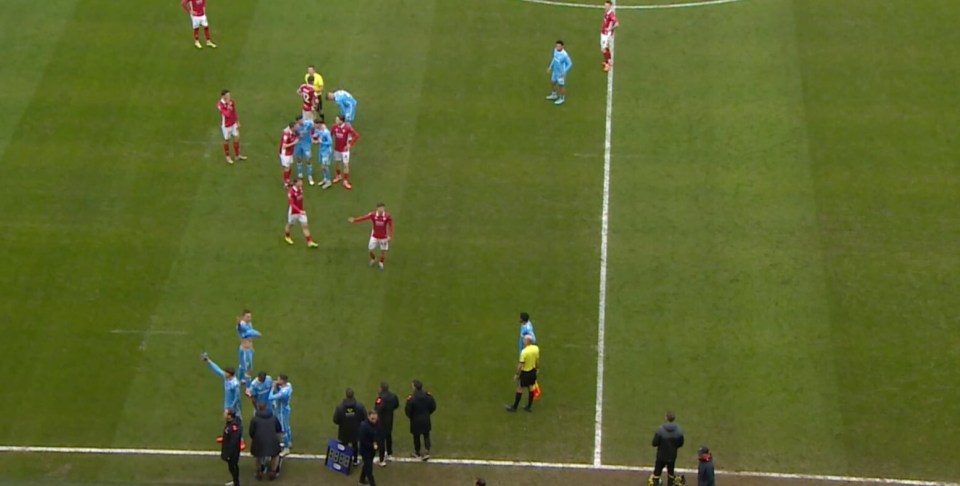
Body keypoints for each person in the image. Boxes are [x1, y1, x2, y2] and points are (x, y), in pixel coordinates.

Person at [348, 203, 394, 270]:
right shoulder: (373, 214)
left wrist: (390, 235)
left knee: (383, 250)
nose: (381, 210)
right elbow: (364, 218)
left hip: (383, 236)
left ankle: (381, 262)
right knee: (370, 249)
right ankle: (374, 259)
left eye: (382, 208)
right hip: (374, 235)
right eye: (380, 208)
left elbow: (391, 225)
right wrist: (355, 220)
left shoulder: (387, 216)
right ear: (377, 209)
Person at [201, 353, 242, 420]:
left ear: (231, 375)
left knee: (236, 421)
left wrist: (231, 408)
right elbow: (217, 369)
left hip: (233, 408)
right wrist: (208, 361)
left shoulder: (235, 384)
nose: (224, 374)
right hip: (226, 405)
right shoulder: (226, 377)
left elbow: (237, 397)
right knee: (228, 421)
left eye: (226, 373)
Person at [505, 334, 539, 412]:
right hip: (533, 371)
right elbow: (537, 360)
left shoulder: (524, 352)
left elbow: (520, 364)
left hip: (525, 373)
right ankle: (529, 407)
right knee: (531, 387)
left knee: (519, 388)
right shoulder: (536, 348)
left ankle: (514, 407)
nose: (523, 341)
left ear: (528, 341)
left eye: (524, 340)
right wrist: (537, 369)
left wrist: (517, 374)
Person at [333, 388, 367, 466]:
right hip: (356, 430)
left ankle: (344, 461)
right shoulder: (360, 406)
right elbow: (364, 417)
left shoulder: (339, 407)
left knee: (344, 445)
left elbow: (335, 420)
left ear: (346, 395)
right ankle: (355, 460)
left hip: (344, 431)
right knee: (355, 445)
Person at [649, 412, 685, 486]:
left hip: (661, 456)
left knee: (657, 473)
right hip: (672, 456)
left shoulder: (660, 429)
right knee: (671, 474)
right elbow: (680, 443)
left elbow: (654, 443)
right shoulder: (679, 430)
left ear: (666, 418)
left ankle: (656, 484)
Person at [405, 379, 436, 461]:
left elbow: (408, 410)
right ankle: (427, 451)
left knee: (416, 436)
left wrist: (411, 416)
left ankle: (417, 452)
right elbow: (433, 406)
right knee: (426, 435)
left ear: (415, 387)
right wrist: (427, 413)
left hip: (415, 420)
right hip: (426, 419)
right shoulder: (428, 396)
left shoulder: (411, 398)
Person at [249, 403, 282, 480]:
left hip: (259, 442)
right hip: (272, 442)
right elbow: (279, 429)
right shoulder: (273, 418)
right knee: (275, 455)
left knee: (258, 456)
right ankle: (273, 472)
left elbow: (251, 432)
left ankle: (259, 472)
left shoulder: (254, 419)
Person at [283, 178, 319, 248]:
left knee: (305, 226)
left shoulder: (300, 189)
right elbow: (292, 204)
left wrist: (301, 211)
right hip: (293, 212)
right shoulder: (291, 192)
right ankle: (287, 236)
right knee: (290, 225)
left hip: (301, 212)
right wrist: (300, 211)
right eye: (300, 182)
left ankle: (309, 242)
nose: (301, 183)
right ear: (296, 183)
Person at [330, 114, 359, 190]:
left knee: (346, 165)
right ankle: (338, 176)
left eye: (337, 120)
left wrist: (350, 144)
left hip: (345, 150)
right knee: (337, 163)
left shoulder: (347, 128)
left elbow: (356, 136)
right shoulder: (334, 127)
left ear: (341, 121)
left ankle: (345, 181)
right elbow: (330, 135)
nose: (335, 121)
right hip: (337, 149)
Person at [374, 382, 400, 466]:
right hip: (390, 419)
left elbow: (377, 409)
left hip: (381, 421)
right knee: (389, 436)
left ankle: (381, 460)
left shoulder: (380, 398)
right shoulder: (393, 396)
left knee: (381, 439)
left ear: (381, 388)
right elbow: (396, 405)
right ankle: (389, 453)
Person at [217, 90, 246, 164]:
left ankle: (237, 155)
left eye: (229, 95)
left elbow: (234, 112)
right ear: (223, 96)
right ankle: (227, 156)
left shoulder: (231, 102)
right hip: (226, 126)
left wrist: (237, 120)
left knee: (237, 137)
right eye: (227, 96)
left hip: (233, 123)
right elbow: (226, 114)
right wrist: (229, 108)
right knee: (226, 140)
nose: (229, 97)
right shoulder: (220, 105)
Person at [268, 374, 293, 456]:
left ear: (282, 381)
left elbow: (270, 397)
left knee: (283, 429)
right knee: (287, 426)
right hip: (286, 408)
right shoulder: (289, 385)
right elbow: (280, 389)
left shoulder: (283, 392)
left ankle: (286, 448)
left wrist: (272, 388)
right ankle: (289, 442)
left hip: (281, 411)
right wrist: (277, 386)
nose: (277, 380)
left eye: (279, 380)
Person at [235, 310, 261, 388]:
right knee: (248, 368)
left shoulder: (249, 323)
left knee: (243, 366)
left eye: (250, 316)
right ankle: (247, 388)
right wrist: (258, 334)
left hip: (249, 349)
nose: (250, 318)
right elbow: (248, 332)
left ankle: (240, 380)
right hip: (245, 350)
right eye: (247, 317)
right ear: (243, 317)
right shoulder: (242, 326)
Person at [546, 40, 573, 105]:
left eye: (559, 46)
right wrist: (550, 67)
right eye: (557, 46)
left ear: (562, 47)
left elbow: (570, 64)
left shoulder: (564, 55)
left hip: (561, 73)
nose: (557, 47)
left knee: (561, 86)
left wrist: (564, 72)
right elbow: (554, 59)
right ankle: (554, 95)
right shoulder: (555, 50)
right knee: (552, 82)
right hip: (555, 71)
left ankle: (562, 98)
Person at [221, 409, 242, 486]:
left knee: (233, 467)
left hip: (233, 452)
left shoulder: (233, 427)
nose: (224, 415)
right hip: (231, 450)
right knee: (232, 467)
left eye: (226, 413)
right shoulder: (231, 423)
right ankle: (235, 481)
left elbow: (233, 441)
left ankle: (236, 483)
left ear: (229, 416)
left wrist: (228, 454)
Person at [358, 410, 379, 485]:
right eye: (372, 419)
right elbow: (362, 440)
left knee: (367, 465)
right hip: (365, 451)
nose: (374, 421)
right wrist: (372, 445)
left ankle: (361, 480)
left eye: (375, 419)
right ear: (368, 417)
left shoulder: (376, 424)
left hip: (372, 450)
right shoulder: (364, 426)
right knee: (369, 470)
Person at [312, 116, 334, 188]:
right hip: (321, 150)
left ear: (319, 124)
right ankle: (325, 178)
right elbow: (317, 136)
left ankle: (328, 181)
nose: (314, 126)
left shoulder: (326, 132)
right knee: (322, 165)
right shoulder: (319, 130)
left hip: (326, 152)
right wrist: (315, 140)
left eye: (315, 124)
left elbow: (330, 142)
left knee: (324, 166)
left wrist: (321, 142)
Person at [294, 115, 316, 185]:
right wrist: (298, 136)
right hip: (299, 144)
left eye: (302, 119)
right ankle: (300, 174)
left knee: (308, 160)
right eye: (299, 120)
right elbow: (293, 134)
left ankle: (310, 176)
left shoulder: (308, 123)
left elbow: (314, 126)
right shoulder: (296, 127)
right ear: (297, 121)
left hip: (307, 144)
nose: (301, 121)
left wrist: (313, 135)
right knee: (299, 159)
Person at [278, 121, 299, 185]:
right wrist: (294, 143)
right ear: (292, 128)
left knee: (289, 166)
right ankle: (286, 182)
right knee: (287, 167)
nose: (297, 127)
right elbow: (284, 146)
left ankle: (288, 179)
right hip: (285, 153)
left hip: (290, 152)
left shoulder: (294, 132)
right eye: (295, 126)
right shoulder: (286, 135)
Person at [600, 0, 619, 72]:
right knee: (605, 48)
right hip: (603, 32)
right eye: (605, 5)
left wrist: (610, 29)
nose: (606, 7)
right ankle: (609, 61)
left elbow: (617, 24)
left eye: (607, 6)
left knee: (603, 49)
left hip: (606, 34)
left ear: (610, 6)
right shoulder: (606, 13)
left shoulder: (611, 15)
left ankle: (608, 64)